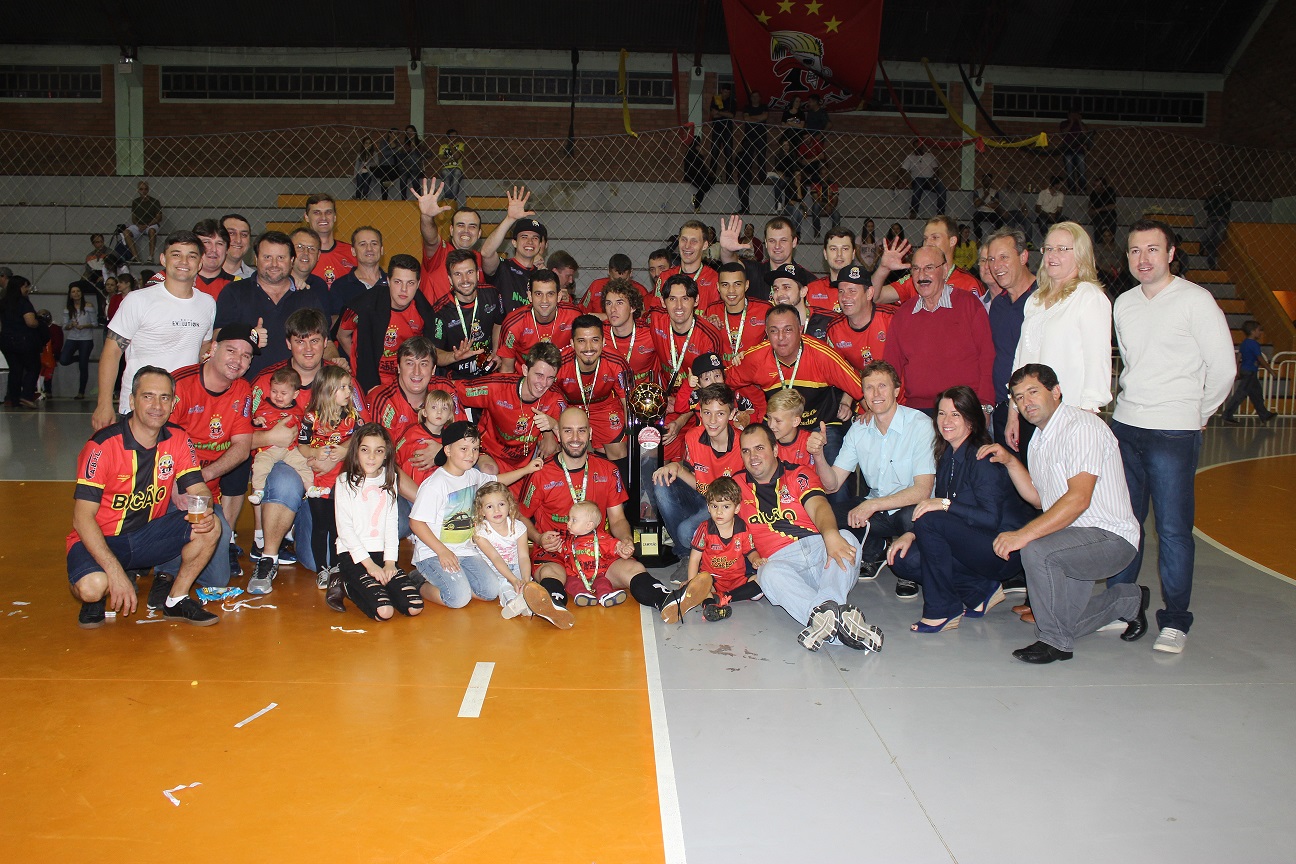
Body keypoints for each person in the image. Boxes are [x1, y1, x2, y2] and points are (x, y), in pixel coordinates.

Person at [1109, 219, 1236, 654]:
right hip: (1126, 426)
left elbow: (1224, 369)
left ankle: (1176, 620)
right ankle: (1121, 605)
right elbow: (1132, 365)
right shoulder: (1123, 304)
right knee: (1126, 525)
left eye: (1151, 249)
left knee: (1174, 530)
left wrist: (1196, 414)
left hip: (1173, 432)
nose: (1142, 259)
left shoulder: (1196, 301)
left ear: (1170, 254)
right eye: (1134, 251)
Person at [982, 364, 1148, 664]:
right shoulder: (1039, 441)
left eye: (1033, 392)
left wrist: (1022, 535)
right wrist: (1009, 461)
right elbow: (1037, 499)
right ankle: (1129, 600)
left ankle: (1055, 644)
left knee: (1036, 549)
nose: (1026, 402)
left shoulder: (1081, 427)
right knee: (1067, 621)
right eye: (1018, 398)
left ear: (1056, 391)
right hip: (1073, 539)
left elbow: (1078, 499)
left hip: (1109, 538)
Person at [67, 366, 222, 628]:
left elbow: (199, 489)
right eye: (148, 396)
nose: (157, 406)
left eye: (165, 398)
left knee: (212, 525)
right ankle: (96, 592)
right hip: (101, 538)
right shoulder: (102, 446)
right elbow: (82, 519)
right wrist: (115, 574)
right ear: (132, 400)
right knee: (94, 586)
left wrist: (205, 511)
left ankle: (176, 600)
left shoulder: (178, 439)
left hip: (146, 536)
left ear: (174, 403)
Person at [886, 385, 1032, 632]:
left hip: (1001, 548)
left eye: (955, 414)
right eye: (942, 414)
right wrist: (910, 534)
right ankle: (979, 590)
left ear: (971, 419)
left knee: (930, 520)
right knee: (902, 559)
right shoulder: (946, 456)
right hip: (969, 542)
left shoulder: (982, 458)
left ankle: (943, 609)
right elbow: (943, 513)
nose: (946, 421)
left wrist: (944, 504)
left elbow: (989, 519)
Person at [732, 423, 884, 652]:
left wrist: (830, 535)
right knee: (767, 572)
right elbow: (720, 518)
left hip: (821, 551)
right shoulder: (736, 486)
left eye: (759, 448)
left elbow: (819, 506)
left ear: (775, 450)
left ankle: (823, 617)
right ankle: (840, 622)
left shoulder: (799, 473)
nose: (752, 456)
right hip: (782, 563)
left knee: (847, 538)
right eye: (746, 451)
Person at [247, 308, 367, 581]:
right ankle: (268, 556)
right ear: (288, 343)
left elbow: (369, 433)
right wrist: (268, 438)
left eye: (314, 340)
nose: (308, 348)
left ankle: (293, 527)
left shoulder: (344, 383)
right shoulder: (267, 382)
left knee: (320, 561)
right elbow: (236, 438)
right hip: (287, 475)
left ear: (326, 342)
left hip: (326, 484)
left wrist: (342, 453)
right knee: (283, 477)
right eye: (300, 341)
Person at [812, 360, 936, 593]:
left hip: (912, 507)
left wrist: (872, 505)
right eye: (869, 388)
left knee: (911, 516)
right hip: (877, 508)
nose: (876, 394)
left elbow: (923, 491)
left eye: (883, 386)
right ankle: (874, 549)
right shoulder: (859, 428)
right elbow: (832, 484)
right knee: (825, 515)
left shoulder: (920, 425)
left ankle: (906, 565)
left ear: (897, 391)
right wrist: (819, 455)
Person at [408, 421, 542, 609]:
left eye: (475, 449)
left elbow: (497, 480)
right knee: (458, 599)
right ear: (447, 450)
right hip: (434, 552)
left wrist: (527, 470)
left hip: (465, 550)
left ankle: (454, 580)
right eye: (463, 448)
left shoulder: (471, 474)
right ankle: (418, 582)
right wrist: (442, 551)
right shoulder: (435, 484)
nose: (470, 455)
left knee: (490, 591)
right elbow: (416, 523)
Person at [93, 232, 217, 430]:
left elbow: (203, 349)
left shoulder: (208, 304)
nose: (184, 261)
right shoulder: (137, 300)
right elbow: (112, 352)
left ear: (200, 262)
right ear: (163, 259)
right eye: (176, 254)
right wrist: (104, 404)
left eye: (192, 256)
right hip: (140, 408)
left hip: (184, 409)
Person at [1005, 222, 1112, 451]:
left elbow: (1098, 360)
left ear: (1080, 254)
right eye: (1049, 249)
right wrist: (1013, 411)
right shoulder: (1035, 300)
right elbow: (1021, 359)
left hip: (1071, 418)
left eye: (1063, 249)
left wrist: (1087, 418)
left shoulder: (1089, 297)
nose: (1053, 255)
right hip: (1033, 416)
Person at [165, 324, 256, 586]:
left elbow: (241, 446)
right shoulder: (180, 384)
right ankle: (163, 571)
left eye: (246, 356)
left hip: (204, 494)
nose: (238, 360)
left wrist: (200, 477)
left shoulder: (242, 390)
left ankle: (181, 559)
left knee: (217, 580)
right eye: (231, 350)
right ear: (213, 349)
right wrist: (175, 484)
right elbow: (157, 444)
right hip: (168, 486)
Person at [325, 425, 423, 620]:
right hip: (354, 555)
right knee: (384, 611)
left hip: (380, 554)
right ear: (355, 452)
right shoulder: (344, 482)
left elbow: (390, 523)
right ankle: (346, 584)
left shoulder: (390, 479)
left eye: (378, 451)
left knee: (414, 606)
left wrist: (389, 563)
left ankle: (382, 586)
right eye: (365, 450)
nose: (371, 457)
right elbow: (345, 530)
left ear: (386, 454)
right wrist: (370, 566)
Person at [883, 246, 995, 412]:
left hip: (963, 408)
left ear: (944, 270)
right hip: (918, 411)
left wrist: (985, 404)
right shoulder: (903, 315)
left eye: (929, 268)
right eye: (916, 269)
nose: (921, 276)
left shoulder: (969, 305)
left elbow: (987, 357)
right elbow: (890, 369)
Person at [288, 365, 364, 594]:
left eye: (348, 387)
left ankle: (340, 567)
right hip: (318, 479)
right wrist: (314, 453)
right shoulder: (312, 417)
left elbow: (361, 436)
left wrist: (343, 452)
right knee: (322, 526)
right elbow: (301, 446)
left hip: (341, 478)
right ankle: (323, 568)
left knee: (339, 525)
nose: (348, 391)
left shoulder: (351, 415)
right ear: (326, 390)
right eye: (342, 387)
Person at [214, 230, 328, 379]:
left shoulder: (308, 297)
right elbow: (217, 337)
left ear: (292, 260)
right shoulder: (234, 292)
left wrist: (337, 363)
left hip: (295, 392)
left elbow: (325, 342)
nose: (274, 264)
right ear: (256, 259)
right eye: (267, 257)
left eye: (281, 258)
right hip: (247, 387)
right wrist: (249, 336)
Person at [455, 342, 565, 477]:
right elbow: (452, 389)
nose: (543, 384)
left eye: (550, 378)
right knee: (488, 470)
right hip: (491, 454)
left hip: (526, 461)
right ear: (525, 370)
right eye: (539, 375)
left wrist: (553, 426)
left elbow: (573, 433)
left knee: (556, 454)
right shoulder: (497, 387)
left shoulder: (555, 397)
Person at [472, 480, 572, 626]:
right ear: (481, 511)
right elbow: (495, 558)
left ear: (509, 505)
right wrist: (513, 580)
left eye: (501, 504)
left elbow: (524, 556)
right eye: (489, 507)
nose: (497, 510)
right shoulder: (481, 532)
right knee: (505, 587)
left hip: (517, 566)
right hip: (496, 570)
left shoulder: (518, 527)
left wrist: (525, 578)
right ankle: (514, 603)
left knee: (529, 586)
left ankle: (537, 604)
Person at [342, 254, 437, 393]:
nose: (404, 289)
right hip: (369, 382)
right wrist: (359, 358)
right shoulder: (364, 305)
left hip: (405, 383)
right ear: (388, 280)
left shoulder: (424, 312)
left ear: (418, 284)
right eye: (398, 282)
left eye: (410, 283)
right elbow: (342, 335)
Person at [983, 228, 1039, 448]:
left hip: (1034, 409)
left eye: (1004, 257)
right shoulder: (998, 306)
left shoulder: (1044, 299)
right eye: (991, 259)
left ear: (1023, 256)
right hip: (1002, 408)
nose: (996, 266)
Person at [553, 315, 631, 461]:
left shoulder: (617, 362)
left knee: (619, 451)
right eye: (581, 341)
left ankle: (615, 481)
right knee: (555, 448)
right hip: (570, 407)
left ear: (603, 342)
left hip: (604, 406)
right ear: (572, 343)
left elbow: (628, 404)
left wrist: (631, 435)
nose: (588, 348)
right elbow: (546, 400)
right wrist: (548, 433)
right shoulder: (559, 364)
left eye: (595, 340)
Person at [430, 249, 506, 380]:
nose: (465, 280)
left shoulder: (492, 294)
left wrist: (496, 351)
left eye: (469, 272)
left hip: (488, 373)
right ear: (450, 279)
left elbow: (499, 323)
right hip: (456, 379)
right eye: (458, 274)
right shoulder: (440, 311)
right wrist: (454, 356)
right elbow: (434, 354)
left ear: (477, 274)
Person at [247, 366, 312, 506]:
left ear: (295, 394)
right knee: (260, 466)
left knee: (304, 464)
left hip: (289, 450)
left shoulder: (298, 411)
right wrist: (257, 422)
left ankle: (310, 488)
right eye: (274, 391)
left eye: (283, 393)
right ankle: (258, 491)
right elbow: (253, 425)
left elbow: (301, 429)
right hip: (268, 449)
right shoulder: (263, 407)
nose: (278, 396)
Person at [412, 178, 482, 306]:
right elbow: (430, 239)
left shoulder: (479, 258)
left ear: (479, 234)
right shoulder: (439, 251)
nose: (466, 231)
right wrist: (427, 217)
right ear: (451, 230)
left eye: (472, 226)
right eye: (460, 225)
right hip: (435, 324)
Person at [497, 270, 580, 373]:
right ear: (530, 296)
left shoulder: (574, 317)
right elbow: (506, 370)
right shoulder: (513, 324)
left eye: (550, 294)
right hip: (526, 381)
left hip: (563, 381)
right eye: (538, 294)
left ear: (559, 296)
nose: (544, 300)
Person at [479, 186, 545, 313]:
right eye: (524, 237)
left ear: (541, 245)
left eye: (535, 238)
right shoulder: (503, 268)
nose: (530, 242)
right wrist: (510, 219)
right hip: (504, 331)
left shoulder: (541, 275)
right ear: (514, 242)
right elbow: (486, 253)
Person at [559, 500, 633, 606]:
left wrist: (623, 548)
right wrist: (557, 547)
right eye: (569, 519)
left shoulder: (601, 538)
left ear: (589, 525)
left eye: (573, 520)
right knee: (570, 583)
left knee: (603, 582)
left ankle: (606, 595)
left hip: (597, 573)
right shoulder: (570, 540)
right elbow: (563, 551)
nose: (568, 523)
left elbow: (614, 545)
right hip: (575, 575)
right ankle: (582, 595)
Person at [824, 264, 892, 371]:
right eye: (841, 291)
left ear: (869, 293)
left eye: (852, 291)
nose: (845, 297)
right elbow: (837, 373)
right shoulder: (835, 330)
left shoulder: (891, 319)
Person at [705, 261, 771, 363]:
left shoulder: (764, 310)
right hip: (722, 376)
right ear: (718, 287)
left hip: (753, 375)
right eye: (725, 285)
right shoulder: (711, 311)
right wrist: (708, 327)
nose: (731, 290)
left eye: (737, 284)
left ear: (746, 285)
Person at [601, 278, 659, 387]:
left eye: (619, 303)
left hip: (644, 398)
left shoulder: (650, 334)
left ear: (632, 307)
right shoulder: (599, 335)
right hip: (613, 399)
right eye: (608, 303)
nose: (613, 309)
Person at [328, 226, 387, 328]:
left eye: (374, 243)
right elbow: (338, 329)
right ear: (353, 251)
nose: (369, 249)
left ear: (381, 250)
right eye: (362, 244)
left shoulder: (393, 284)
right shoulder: (340, 286)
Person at [657, 221, 721, 310]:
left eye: (694, 241)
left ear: (705, 245)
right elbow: (655, 315)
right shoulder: (664, 277)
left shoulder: (714, 280)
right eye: (683, 239)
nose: (687, 246)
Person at [1222, 321, 1277, 424]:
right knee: (1241, 394)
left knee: (1256, 394)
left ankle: (1264, 414)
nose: (1260, 333)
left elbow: (1239, 356)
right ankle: (1227, 414)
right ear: (1253, 331)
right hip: (1250, 372)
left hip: (1245, 370)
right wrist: (1270, 371)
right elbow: (1260, 358)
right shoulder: (1254, 344)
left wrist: (1237, 370)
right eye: (1259, 330)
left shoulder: (1244, 343)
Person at [1, 276, 42, 408]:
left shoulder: (2, 302)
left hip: (6, 341)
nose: (27, 290)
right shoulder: (24, 303)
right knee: (33, 367)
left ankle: (14, 399)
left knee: (15, 370)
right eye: (25, 287)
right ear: (19, 287)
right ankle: (27, 395)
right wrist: (38, 323)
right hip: (23, 341)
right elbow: (30, 322)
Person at [305, 194, 356, 289]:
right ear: (306, 217)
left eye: (328, 212)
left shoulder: (352, 252)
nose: (323, 217)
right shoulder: (299, 256)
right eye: (316, 212)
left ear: (335, 217)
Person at [59, 282, 97, 399]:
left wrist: (84, 326)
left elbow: (94, 323)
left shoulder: (88, 306)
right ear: (70, 295)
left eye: (78, 291)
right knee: (63, 360)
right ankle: (79, 358)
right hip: (73, 337)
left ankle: (81, 392)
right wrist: (71, 325)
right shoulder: (68, 309)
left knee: (83, 366)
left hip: (86, 338)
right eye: (73, 292)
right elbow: (65, 325)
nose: (76, 294)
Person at [735, 91, 769, 214]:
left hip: (761, 136)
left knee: (761, 158)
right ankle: (745, 206)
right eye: (752, 96)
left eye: (756, 96)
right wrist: (757, 119)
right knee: (747, 161)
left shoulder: (764, 106)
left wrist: (752, 119)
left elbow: (764, 117)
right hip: (749, 137)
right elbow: (746, 118)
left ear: (760, 98)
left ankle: (762, 178)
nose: (755, 98)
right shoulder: (747, 107)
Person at [192, 219, 236, 299]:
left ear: (227, 250)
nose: (214, 249)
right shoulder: (175, 280)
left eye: (219, 244)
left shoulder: (238, 285)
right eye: (207, 242)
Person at [902, 143, 945, 218]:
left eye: (919, 146)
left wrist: (934, 179)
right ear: (913, 147)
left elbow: (936, 169)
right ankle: (914, 211)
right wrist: (897, 180)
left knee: (942, 188)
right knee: (919, 183)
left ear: (922, 147)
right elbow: (903, 170)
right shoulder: (910, 157)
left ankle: (940, 213)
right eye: (915, 146)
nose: (917, 148)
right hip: (917, 179)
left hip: (930, 179)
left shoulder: (929, 156)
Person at [123, 180, 163, 261]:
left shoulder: (154, 201)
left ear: (148, 190)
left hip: (151, 225)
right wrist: (138, 225)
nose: (143, 191)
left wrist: (147, 225)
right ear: (138, 190)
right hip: (139, 225)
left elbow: (159, 218)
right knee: (126, 232)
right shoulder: (135, 202)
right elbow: (133, 218)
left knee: (151, 231)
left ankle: (150, 256)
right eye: (141, 189)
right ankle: (135, 256)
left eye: (145, 189)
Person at [708, 83, 737, 182]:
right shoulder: (716, 99)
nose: (726, 94)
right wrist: (724, 114)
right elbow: (713, 115)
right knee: (714, 154)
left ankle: (729, 179)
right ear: (721, 90)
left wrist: (719, 112)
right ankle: (711, 178)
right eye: (725, 92)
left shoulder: (732, 101)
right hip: (717, 129)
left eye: (728, 93)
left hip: (727, 130)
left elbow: (731, 115)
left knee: (728, 155)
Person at [1057, 110, 1089, 193]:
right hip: (1068, 150)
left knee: (1082, 170)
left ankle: (1082, 189)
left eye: (1076, 114)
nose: (1074, 116)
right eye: (1072, 115)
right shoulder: (1064, 123)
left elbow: (1085, 132)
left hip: (1079, 149)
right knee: (1069, 170)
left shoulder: (1081, 124)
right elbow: (1064, 132)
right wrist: (1071, 122)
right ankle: (1072, 190)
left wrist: (1079, 121)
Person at [1202, 184, 1232, 270]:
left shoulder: (1226, 195)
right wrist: (1216, 199)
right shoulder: (1212, 197)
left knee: (1216, 240)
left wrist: (1217, 200)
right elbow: (1206, 206)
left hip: (1222, 220)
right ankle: (1210, 259)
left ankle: (1211, 258)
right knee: (1211, 240)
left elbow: (1226, 204)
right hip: (1213, 220)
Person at [437, 129, 468, 209]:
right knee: (446, 175)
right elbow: (440, 160)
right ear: (448, 137)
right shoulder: (443, 146)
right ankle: (448, 198)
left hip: (457, 167)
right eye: (452, 136)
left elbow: (457, 156)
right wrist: (452, 158)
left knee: (456, 175)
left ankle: (452, 200)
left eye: (455, 136)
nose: (454, 138)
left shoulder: (460, 144)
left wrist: (450, 145)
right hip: (446, 168)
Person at [221, 214, 255, 280]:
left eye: (244, 235)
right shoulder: (200, 275)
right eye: (231, 233)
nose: (238, 240)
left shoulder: (255, 279)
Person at [973, 173, 1004, 240]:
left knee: (1001, 219)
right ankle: (978, 237)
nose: (987, 182)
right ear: (982, 181)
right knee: (975, 218)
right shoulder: (977, 191)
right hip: (981, 211)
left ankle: (994, 235)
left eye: (989, 180)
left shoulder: (995, 192)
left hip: (991, 212)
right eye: (986, 180)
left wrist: (983, 203)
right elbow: (976, 205)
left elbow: (996, 205)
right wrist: (984, 196)